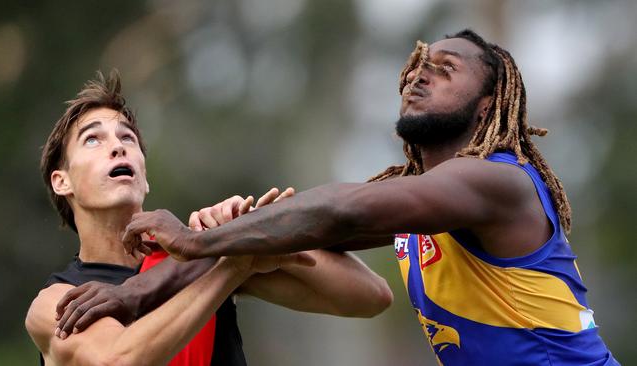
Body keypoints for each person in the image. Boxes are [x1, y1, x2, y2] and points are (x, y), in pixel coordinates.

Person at [123, 30, 620, 365]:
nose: (419, 75)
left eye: (445, 69)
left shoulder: (497, 181)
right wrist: (138, 288)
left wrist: (190, 239)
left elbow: (339, 209)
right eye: (419, 65)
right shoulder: (423, 200)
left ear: (488, 103)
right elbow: (290, 235)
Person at [25, 71, 393, 366]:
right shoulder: (53, 302)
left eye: (128, 138)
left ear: (144, 176)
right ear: (62, 181)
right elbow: (116, 359)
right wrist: (232, 265)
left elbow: (370, 298)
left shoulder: (198, 257)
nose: (118, 145)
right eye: (93, 139)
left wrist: (253, 231)